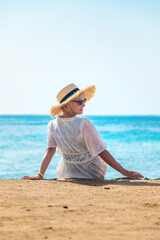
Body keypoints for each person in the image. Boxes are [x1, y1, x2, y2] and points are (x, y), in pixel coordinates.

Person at [21, 83, 144, 180]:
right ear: (67, 104)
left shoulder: (52, 124)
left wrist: (40, 175)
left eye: (84, 101)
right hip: (91, 171)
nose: (84, 104)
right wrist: (124, 171)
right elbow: (101, 151)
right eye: (80, 101)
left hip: (67, 172)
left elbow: (50, 151)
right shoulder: (83, 123)